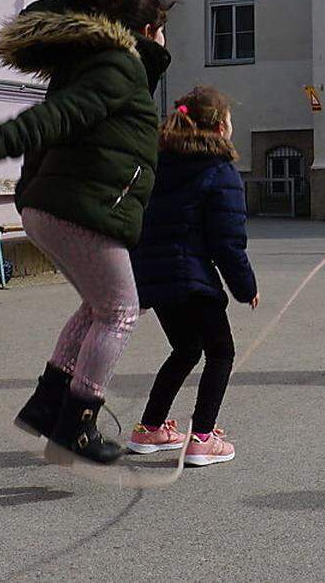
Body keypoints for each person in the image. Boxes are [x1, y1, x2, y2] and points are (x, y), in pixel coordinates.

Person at [0, 0, 173, 465]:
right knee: (121, 313)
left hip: (57, 207)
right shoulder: (119, 66)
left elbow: (66, 122)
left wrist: (29, 198)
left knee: (96, 309)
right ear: (149, 31)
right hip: (82, 210)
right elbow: (58, 118)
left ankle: (50, 406)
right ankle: (78, 424)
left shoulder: (99, 66)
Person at [126, 86, 259, 467]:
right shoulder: (220, 170)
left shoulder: (158, 164)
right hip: (193, 279)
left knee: (185, 349)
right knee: (222, 352)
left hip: (157, 277)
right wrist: (245, 286)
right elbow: (227, 240)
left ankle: (150, 427)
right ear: (220, 126)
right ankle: (202, 436)